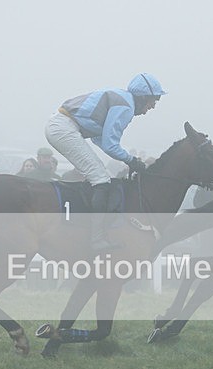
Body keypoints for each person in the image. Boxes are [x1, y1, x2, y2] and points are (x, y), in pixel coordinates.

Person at [45, 72, 166, 252]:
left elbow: (98, 139)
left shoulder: (122, 99)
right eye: (153, 101)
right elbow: (110, 145)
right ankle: (96, 239)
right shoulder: (126, 106)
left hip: (61, 126)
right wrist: (131, 160)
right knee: (101, 178)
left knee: (100, 176)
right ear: (143, 97)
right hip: (64, 129)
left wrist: (129, 159)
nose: (153, 106)